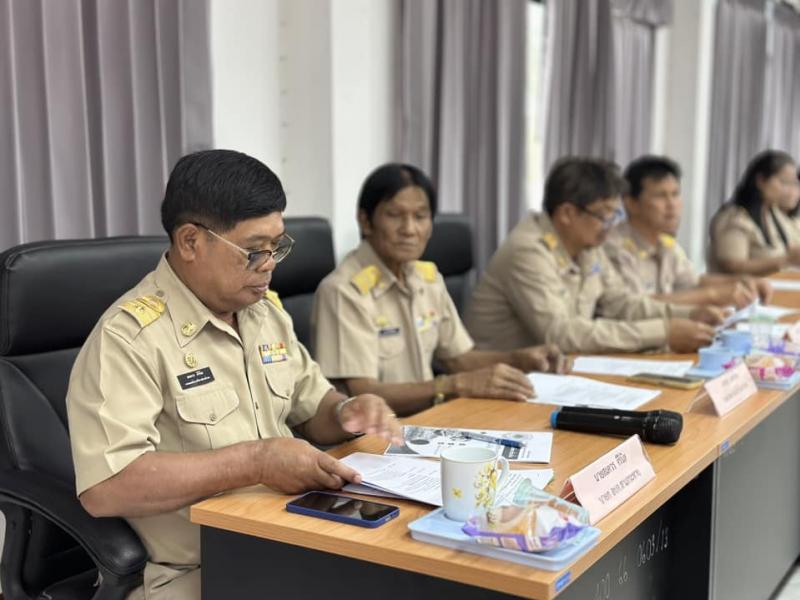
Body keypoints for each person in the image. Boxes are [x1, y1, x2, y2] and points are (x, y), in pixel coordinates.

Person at [66, 150, 403, 599]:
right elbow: (108, 487)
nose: (270, 264)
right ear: (190, 242)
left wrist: (347, 412)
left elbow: (312, 408)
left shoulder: (264, 313)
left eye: (277, 247)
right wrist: (255, 461)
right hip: (202, 571)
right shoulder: (130, 338)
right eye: (254, 250)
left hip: (296, 540)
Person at [311, 163, 570, 417]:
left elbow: (458, 359)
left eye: (420, 217)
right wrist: (452, 385)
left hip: (430, 420)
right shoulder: (344, 291)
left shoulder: (428, 279)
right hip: (375, 433)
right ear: (366, 221)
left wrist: (520, 359)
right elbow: (363, 394)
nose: (409, 229)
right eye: (395, 215)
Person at [464, 157, 725, 354]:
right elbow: (560, 334)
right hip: (495, 384)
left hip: (553, 373)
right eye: (603, 215)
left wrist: (689, 314)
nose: (610, 225)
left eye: (614, 214)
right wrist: (663, 332)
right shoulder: (528, 251)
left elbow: (621, 303)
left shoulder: (588, 247)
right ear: (567, 213)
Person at [604, 155, 773, 309]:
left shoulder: (665, 242)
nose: (672, 205)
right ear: (630, 203)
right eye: (660, 196)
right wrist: (712, 295)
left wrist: (742, 281)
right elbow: (635, 307)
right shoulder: (614, 247)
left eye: (675, 194)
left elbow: (692, 283)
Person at [708, 150, 800, 275]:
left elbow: (791, 249)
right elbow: (732, 265)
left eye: (793, 184)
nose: (790, 190)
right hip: (738, 287)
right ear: (761, 181)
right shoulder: (735, 218)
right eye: (784, 182)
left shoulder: (774, 215)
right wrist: (786, 260)